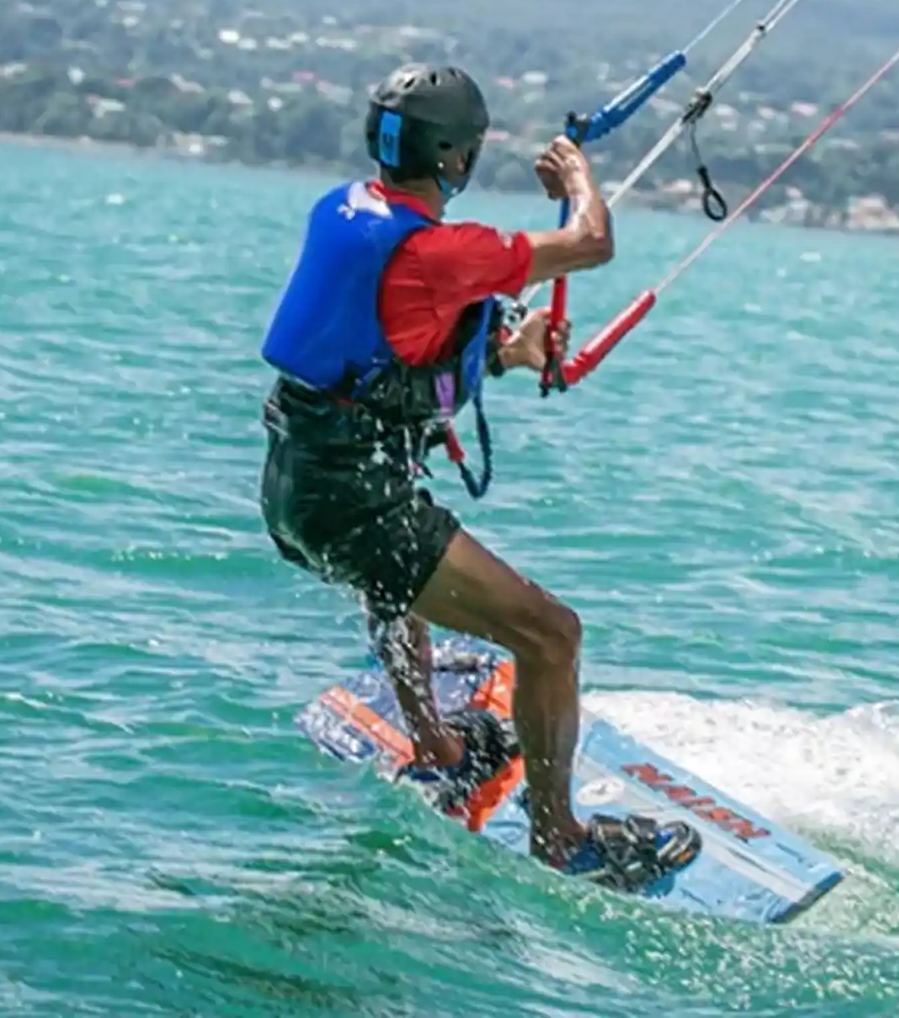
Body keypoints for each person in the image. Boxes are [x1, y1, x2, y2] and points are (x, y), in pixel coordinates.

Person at [259, 62, 699, 890]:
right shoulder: (443, 250)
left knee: (391, 579)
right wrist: (575, 174)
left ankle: (437, 742)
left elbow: (394, 343)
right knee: (550, 634)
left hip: (296, 486)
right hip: (354, 502)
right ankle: (561, 837)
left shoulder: (348, 212)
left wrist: (508, 346)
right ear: (457, 157)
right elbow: (590, 243)